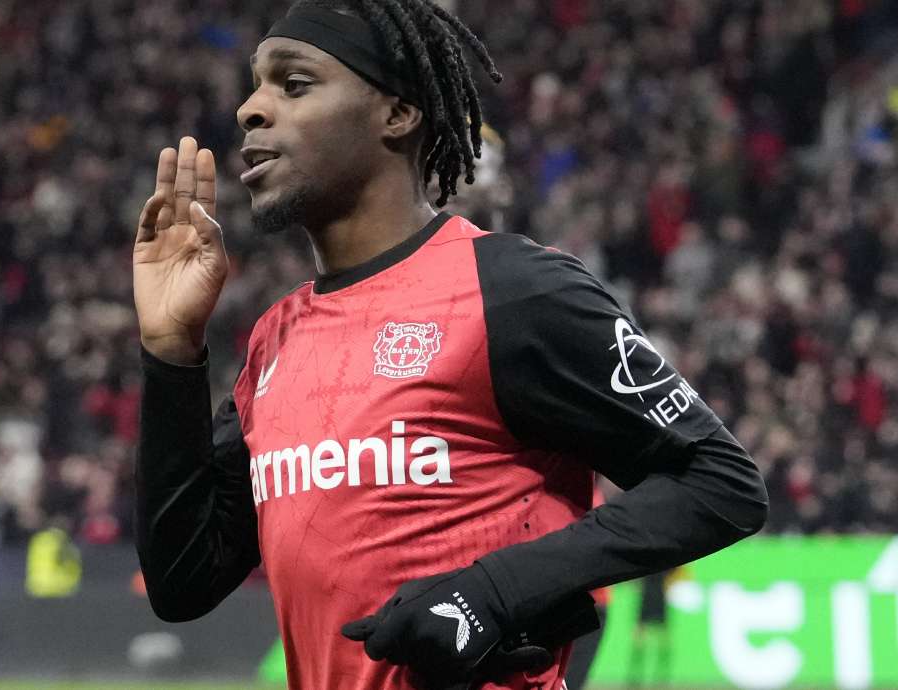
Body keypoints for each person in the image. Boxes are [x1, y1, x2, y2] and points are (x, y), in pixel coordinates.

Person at [131, 1, 769, 689]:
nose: (250, 110)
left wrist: (492, 591)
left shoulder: (513, 291)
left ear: (398, 113)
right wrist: (171, 350)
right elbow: (183, 581)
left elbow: (721, 483)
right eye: (254, 85)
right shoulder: (273, 341)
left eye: (294, 83)